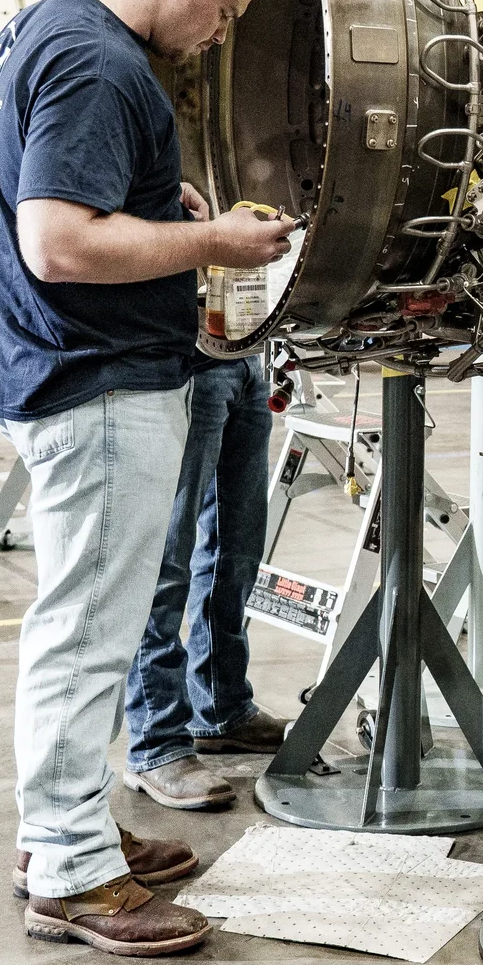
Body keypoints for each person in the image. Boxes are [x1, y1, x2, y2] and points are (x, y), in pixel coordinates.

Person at [0, 0, 296, 958]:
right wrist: (213, 249)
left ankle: (60, 828)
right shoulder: (100, 60)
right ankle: (71, 873)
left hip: (70, 368)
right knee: (88, 634)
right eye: (224, 11)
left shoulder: (48, 25)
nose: (219, 35)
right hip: (98, 380)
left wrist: (166, 220)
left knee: (81, 625)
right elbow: (58, 242)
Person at [121, 348, 288, 813]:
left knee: (235, 552)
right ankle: (156, 743)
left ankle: (221, 707)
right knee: (165, 562)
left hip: (247, 361)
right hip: (184, 363)